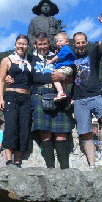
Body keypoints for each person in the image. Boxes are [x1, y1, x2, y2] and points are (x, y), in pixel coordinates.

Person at [68, 12, 102, 170]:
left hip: (96, 95)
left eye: (82, 42)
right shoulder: (70, 59)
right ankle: (93, 165)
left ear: (86, 42)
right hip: (79, 99)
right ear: (74, 44)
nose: (80, 45)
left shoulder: (93, 54)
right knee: (85, 132)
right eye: (77, 43)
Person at [31, 32, 73, 169]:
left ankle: (65, 170)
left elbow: (72, 74)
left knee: (61, 134)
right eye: (40, 44)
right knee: (45, 133)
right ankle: (50, 170)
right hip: (39, 94)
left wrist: (63, 76)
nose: (43, 47)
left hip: (57, 94)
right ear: (35, 45)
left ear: (49, 44)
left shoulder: (58, 55)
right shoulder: (31, 58)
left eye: (45, 44)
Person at [0, 34, 32, 166]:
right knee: (11, 126)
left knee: (24, 127)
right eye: (19, 43)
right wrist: (1, 99)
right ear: (15, 45)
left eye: (24, 44)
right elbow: (1, 80)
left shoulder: (30, 61)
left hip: (26, 98)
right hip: (11, 96)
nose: (21, 46)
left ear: (27, 46)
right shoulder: (7, 60)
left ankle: (18, 160)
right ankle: (8, 160)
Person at [46, 32, 76, 101]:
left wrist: (51, 61)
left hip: (65, 67)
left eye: (60, 41)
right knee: (62, 84)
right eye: (57, 41)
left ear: (67, 42)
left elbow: (58, 56)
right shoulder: (64, 49)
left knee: (55, 77)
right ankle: (68, 97)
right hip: (66, 68)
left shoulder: (65, 48)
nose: (58, 43)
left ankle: (60, 93)